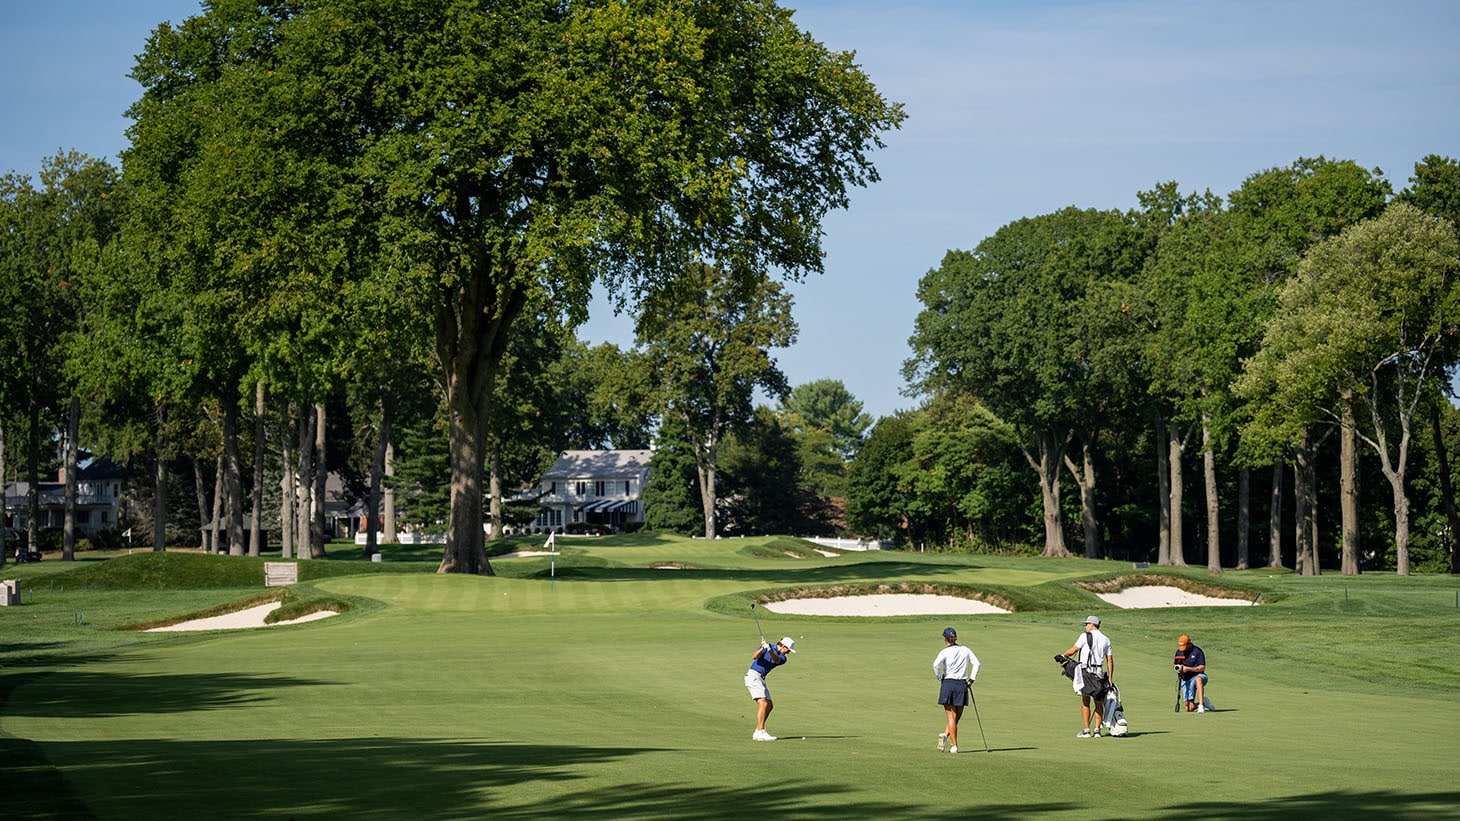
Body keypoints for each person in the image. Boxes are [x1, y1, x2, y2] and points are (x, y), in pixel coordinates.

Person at [1060, 615, 1114, 738]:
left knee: (1085, 701)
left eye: (1087, 624)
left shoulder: (1084, 636)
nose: (1085, 626)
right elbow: (1110, 661)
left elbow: (1073, 650)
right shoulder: (1106, 639)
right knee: (1098, 701)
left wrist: (1062, 656)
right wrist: (1110, 678)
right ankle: (1097, 731)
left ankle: (1086, 731)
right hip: (1099, 673)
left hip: (1085, 672)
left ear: (1092, 625)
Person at [932, 627, 981, 754]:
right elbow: (977, 664)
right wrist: (971, 679)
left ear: (945, 639)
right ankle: (945, 736)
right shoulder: (965, 649)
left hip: (948, 684)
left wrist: (940, 677)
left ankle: (954, 746)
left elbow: (935, 665)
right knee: (956, 717)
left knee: (952, 716)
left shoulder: (944, 652)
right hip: (962, 685)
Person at [745, 635, 796, 741]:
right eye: (788, 650)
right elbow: (754, 656)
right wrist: (762, 648)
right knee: (763, 703)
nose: (788, 652)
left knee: (769, 705)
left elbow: (776, 660)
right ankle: (761, 731)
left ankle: (758, 731)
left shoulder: (783, 658)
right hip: (753, 676)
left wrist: (769, 650)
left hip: (761, 679)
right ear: (783, 646)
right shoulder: (767, 646)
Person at [1174, 634, 1210, 713]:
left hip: (1198, 675)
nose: (1183, 649)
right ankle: (1204, 703)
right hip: (1186, 678)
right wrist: (1178, 668)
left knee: (1198, 679)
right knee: (1189, 708)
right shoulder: (1179, 652)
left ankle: (1201, 706)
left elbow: (1202, 667)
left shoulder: (1197, 651)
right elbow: (1175, 664)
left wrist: (1188, 669)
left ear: (1189, 643)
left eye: (1184, 646)